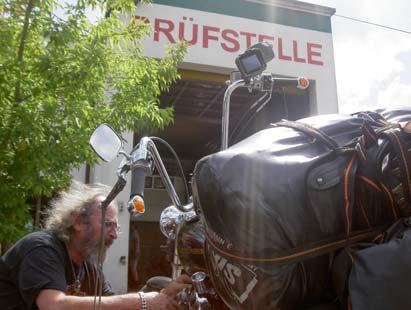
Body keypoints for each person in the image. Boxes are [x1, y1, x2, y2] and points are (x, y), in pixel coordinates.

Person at [0, 182, 191, 309]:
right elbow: (53, 305)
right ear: (78, 222)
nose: (115, 234)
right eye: (108, 224)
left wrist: (164, 296)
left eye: (116, 227)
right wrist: (141, 301)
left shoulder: (87, 265)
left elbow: (111, 303)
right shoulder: (42, 249)